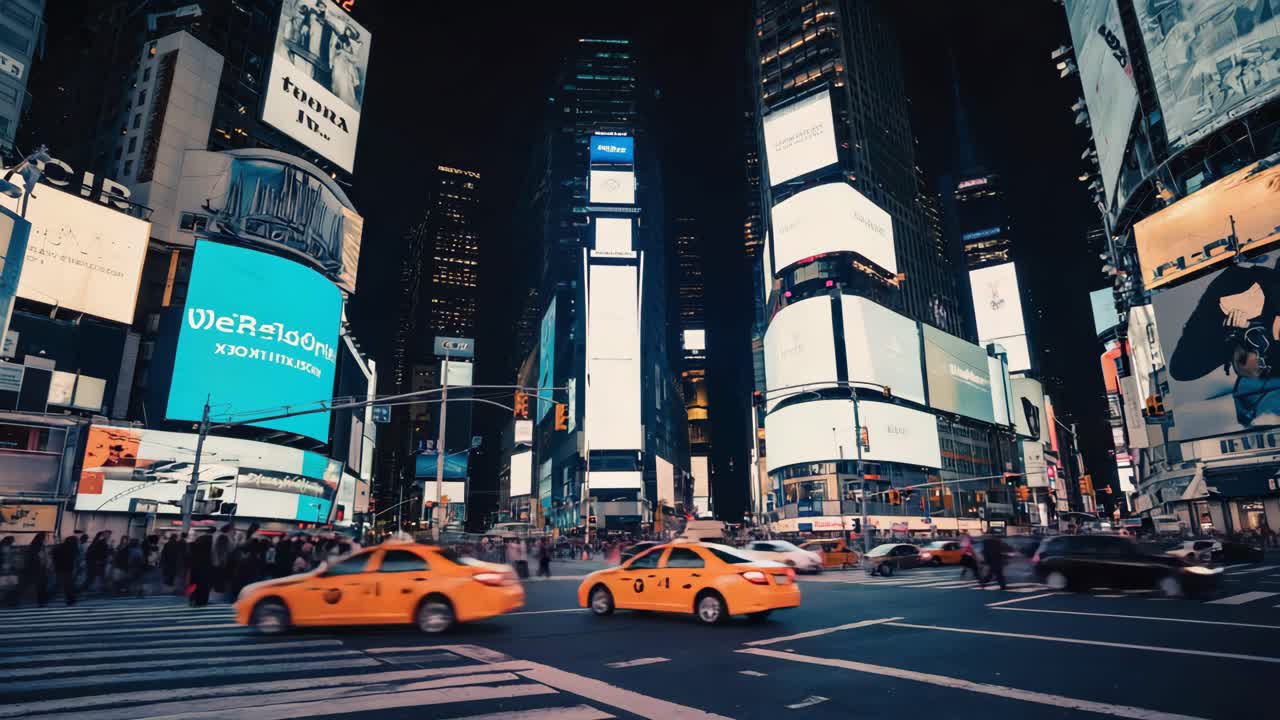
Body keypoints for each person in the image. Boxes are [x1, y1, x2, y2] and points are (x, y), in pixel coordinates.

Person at [10, 532, 50, 606]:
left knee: (25, 585)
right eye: (46, 537)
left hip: (31, 568)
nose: (47, 539)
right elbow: (42, 558)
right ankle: (42, 601)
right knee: (39, 585)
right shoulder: (40, 546)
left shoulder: (33, 546)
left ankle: (14, 600)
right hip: (38, 569)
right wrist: (46, 566)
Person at [51, 535, 79, 605]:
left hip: (59, 568)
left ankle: (46, 596)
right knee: (68, 585)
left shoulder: (59, 547)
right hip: (68, 569)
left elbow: (54, 555)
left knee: (60, 584)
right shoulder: (73, 548)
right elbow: (75, 557)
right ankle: (71, 600)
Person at [188, 533, 213, 607]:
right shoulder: (209, 549)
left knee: (192, 584)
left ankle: (191, 599)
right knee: (204, 586)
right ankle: (202, 601)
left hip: (194, 568)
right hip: (205, 570)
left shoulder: (193, 546)